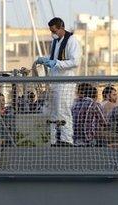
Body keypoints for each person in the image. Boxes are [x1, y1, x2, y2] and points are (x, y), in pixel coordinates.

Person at [36, 17, 81, 146]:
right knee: (53, 111)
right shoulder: (55, 41)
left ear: (61, 28)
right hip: (55, 81)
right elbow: (53, 59)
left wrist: (57, 63)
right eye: (51, 31)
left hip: (66, 82)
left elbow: (75, 61)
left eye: (54, 31)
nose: (52, 33)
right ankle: (53, 139)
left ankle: (67, 139)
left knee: (64, 110)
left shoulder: (72, 41)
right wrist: (44, 60)